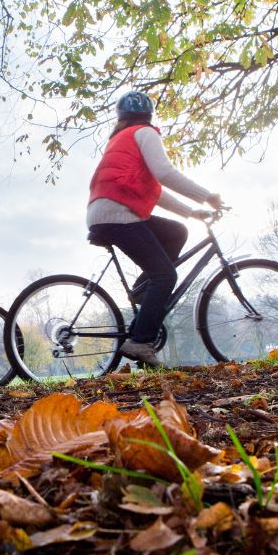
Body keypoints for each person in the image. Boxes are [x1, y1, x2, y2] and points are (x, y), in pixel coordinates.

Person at [87, 91, 223, 368]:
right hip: (118, 214)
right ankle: (140, 341)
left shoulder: (120, 140)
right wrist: (206, 195)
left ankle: (144, 291)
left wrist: (191, 212)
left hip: (103, 212)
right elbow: (165, 173)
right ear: (149, 115)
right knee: (166, 276)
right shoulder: (145, 133)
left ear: (120, 117)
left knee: (176, 232)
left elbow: (153, 191)